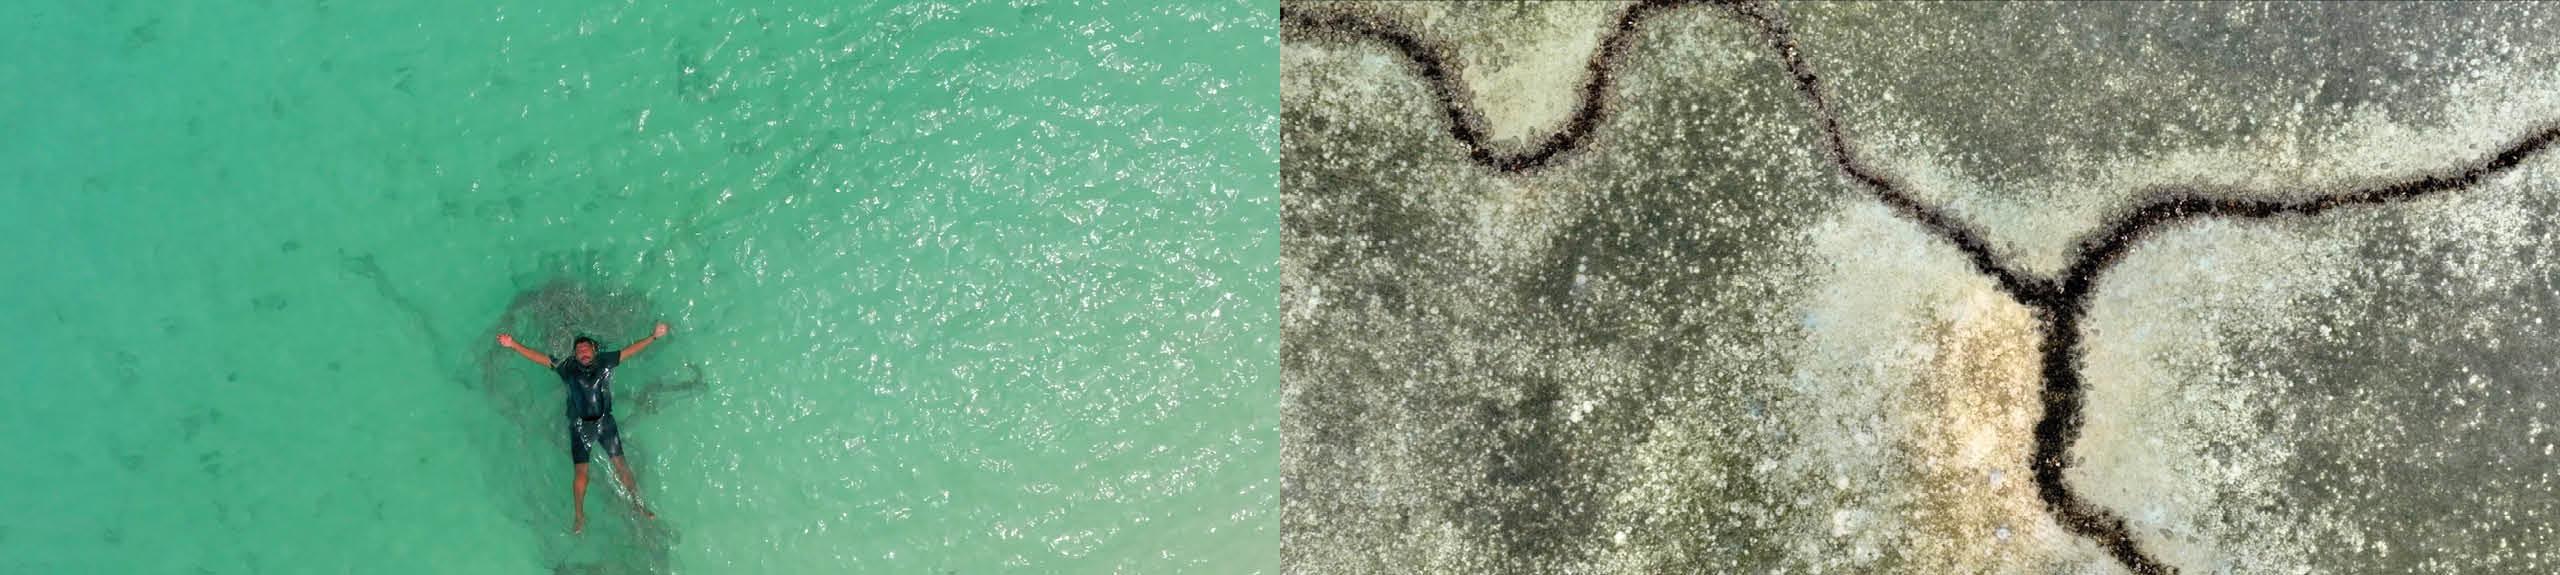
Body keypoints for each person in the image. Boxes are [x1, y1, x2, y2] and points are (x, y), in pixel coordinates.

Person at [496, 323, 669, 534]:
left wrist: (653, 337)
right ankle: (579, 515)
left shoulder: (606, 361)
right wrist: (513, 344)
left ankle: (638, 505)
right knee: (581, 475)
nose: (582, 352)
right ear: (575, 355)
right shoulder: (567, 367)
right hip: (580, 427)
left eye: (586, 349)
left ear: (594, 350)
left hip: (605, 423)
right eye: (578, 350)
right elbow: (540, 358)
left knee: (622, 467)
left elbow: (629, 351)